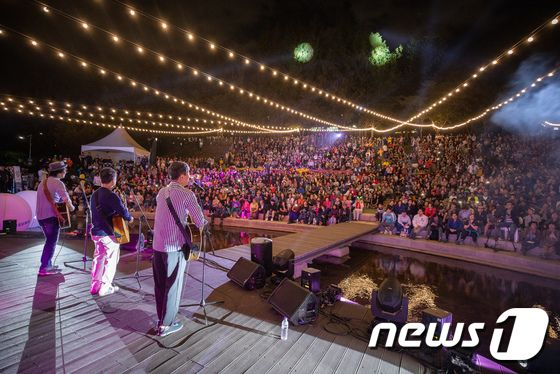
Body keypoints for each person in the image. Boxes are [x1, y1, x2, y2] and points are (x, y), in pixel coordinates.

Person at [152, 161, 207, 337]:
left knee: (160, 285)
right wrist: (205, 224)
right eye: (189, 174)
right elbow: (199, 222)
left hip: (157, 246)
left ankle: (161, 318)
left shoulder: (162, 192)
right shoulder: (187, 194)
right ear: (182, 175)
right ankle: (166, 325)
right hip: (173, 247)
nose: (190, 177)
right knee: (173, 286)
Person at [90, 167, 133, 296]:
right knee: (111, 260)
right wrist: (129, 218)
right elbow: (123, 212)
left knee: (99, 258)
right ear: (113, 180)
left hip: (96, 232)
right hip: (108, 233)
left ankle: (95, 286)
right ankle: (105, 287)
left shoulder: (94, 194)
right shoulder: (111, 195)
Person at [35, 161, 75, 276]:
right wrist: (72, 208)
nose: (66, 172)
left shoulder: (43, 182)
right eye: (65, 170)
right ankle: (44, 267)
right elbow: (66, 199)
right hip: (50, 216)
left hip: (41, 216)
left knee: (49, 240)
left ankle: (48, 264)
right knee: (51, 242)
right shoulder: (58, 183)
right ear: (59, 172)